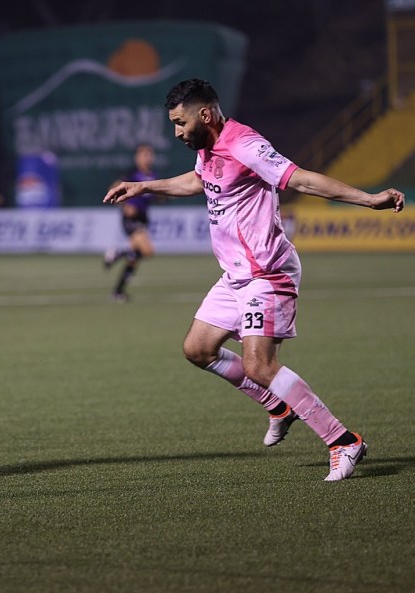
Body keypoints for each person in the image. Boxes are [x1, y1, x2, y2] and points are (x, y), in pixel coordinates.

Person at [104, 79, 405, 481]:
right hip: (236, 275)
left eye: (180, 123)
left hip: (267, 272)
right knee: (198, 349)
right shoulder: (207, 148)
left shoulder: (245, 145)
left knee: (259, 364)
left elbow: (301, 179)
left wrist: (369, 200)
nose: (176, 132)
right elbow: (198, 182)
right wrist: (144, 186)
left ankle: (342, 440)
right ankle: (277, 405)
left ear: (205, 115)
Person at [103, 143, 157, 302]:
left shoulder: (153, 175)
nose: (147, 158)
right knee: (147, 251)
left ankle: (118, 292)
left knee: (134, 258)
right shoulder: (132, 174)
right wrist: (125, 204)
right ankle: (116, 253)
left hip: (143, 219)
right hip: (131, 220)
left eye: (149, 155)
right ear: (137, 157)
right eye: (144, 155)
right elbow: (114, 187)